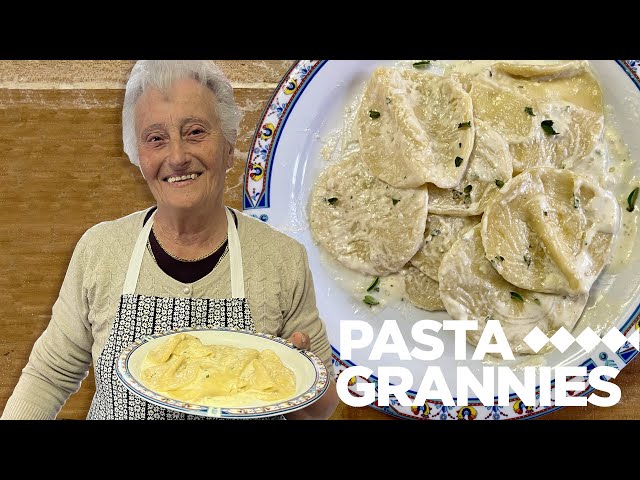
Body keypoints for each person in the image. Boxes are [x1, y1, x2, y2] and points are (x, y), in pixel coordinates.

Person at [1, 60, 339, 420]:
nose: (177, 157)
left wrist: (296, 375)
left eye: (195, 132)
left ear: (228, 146)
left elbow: (320, 406)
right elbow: (48, 376)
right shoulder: (100, 249)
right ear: (139, 156)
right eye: (156, 139)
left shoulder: (282, 258)